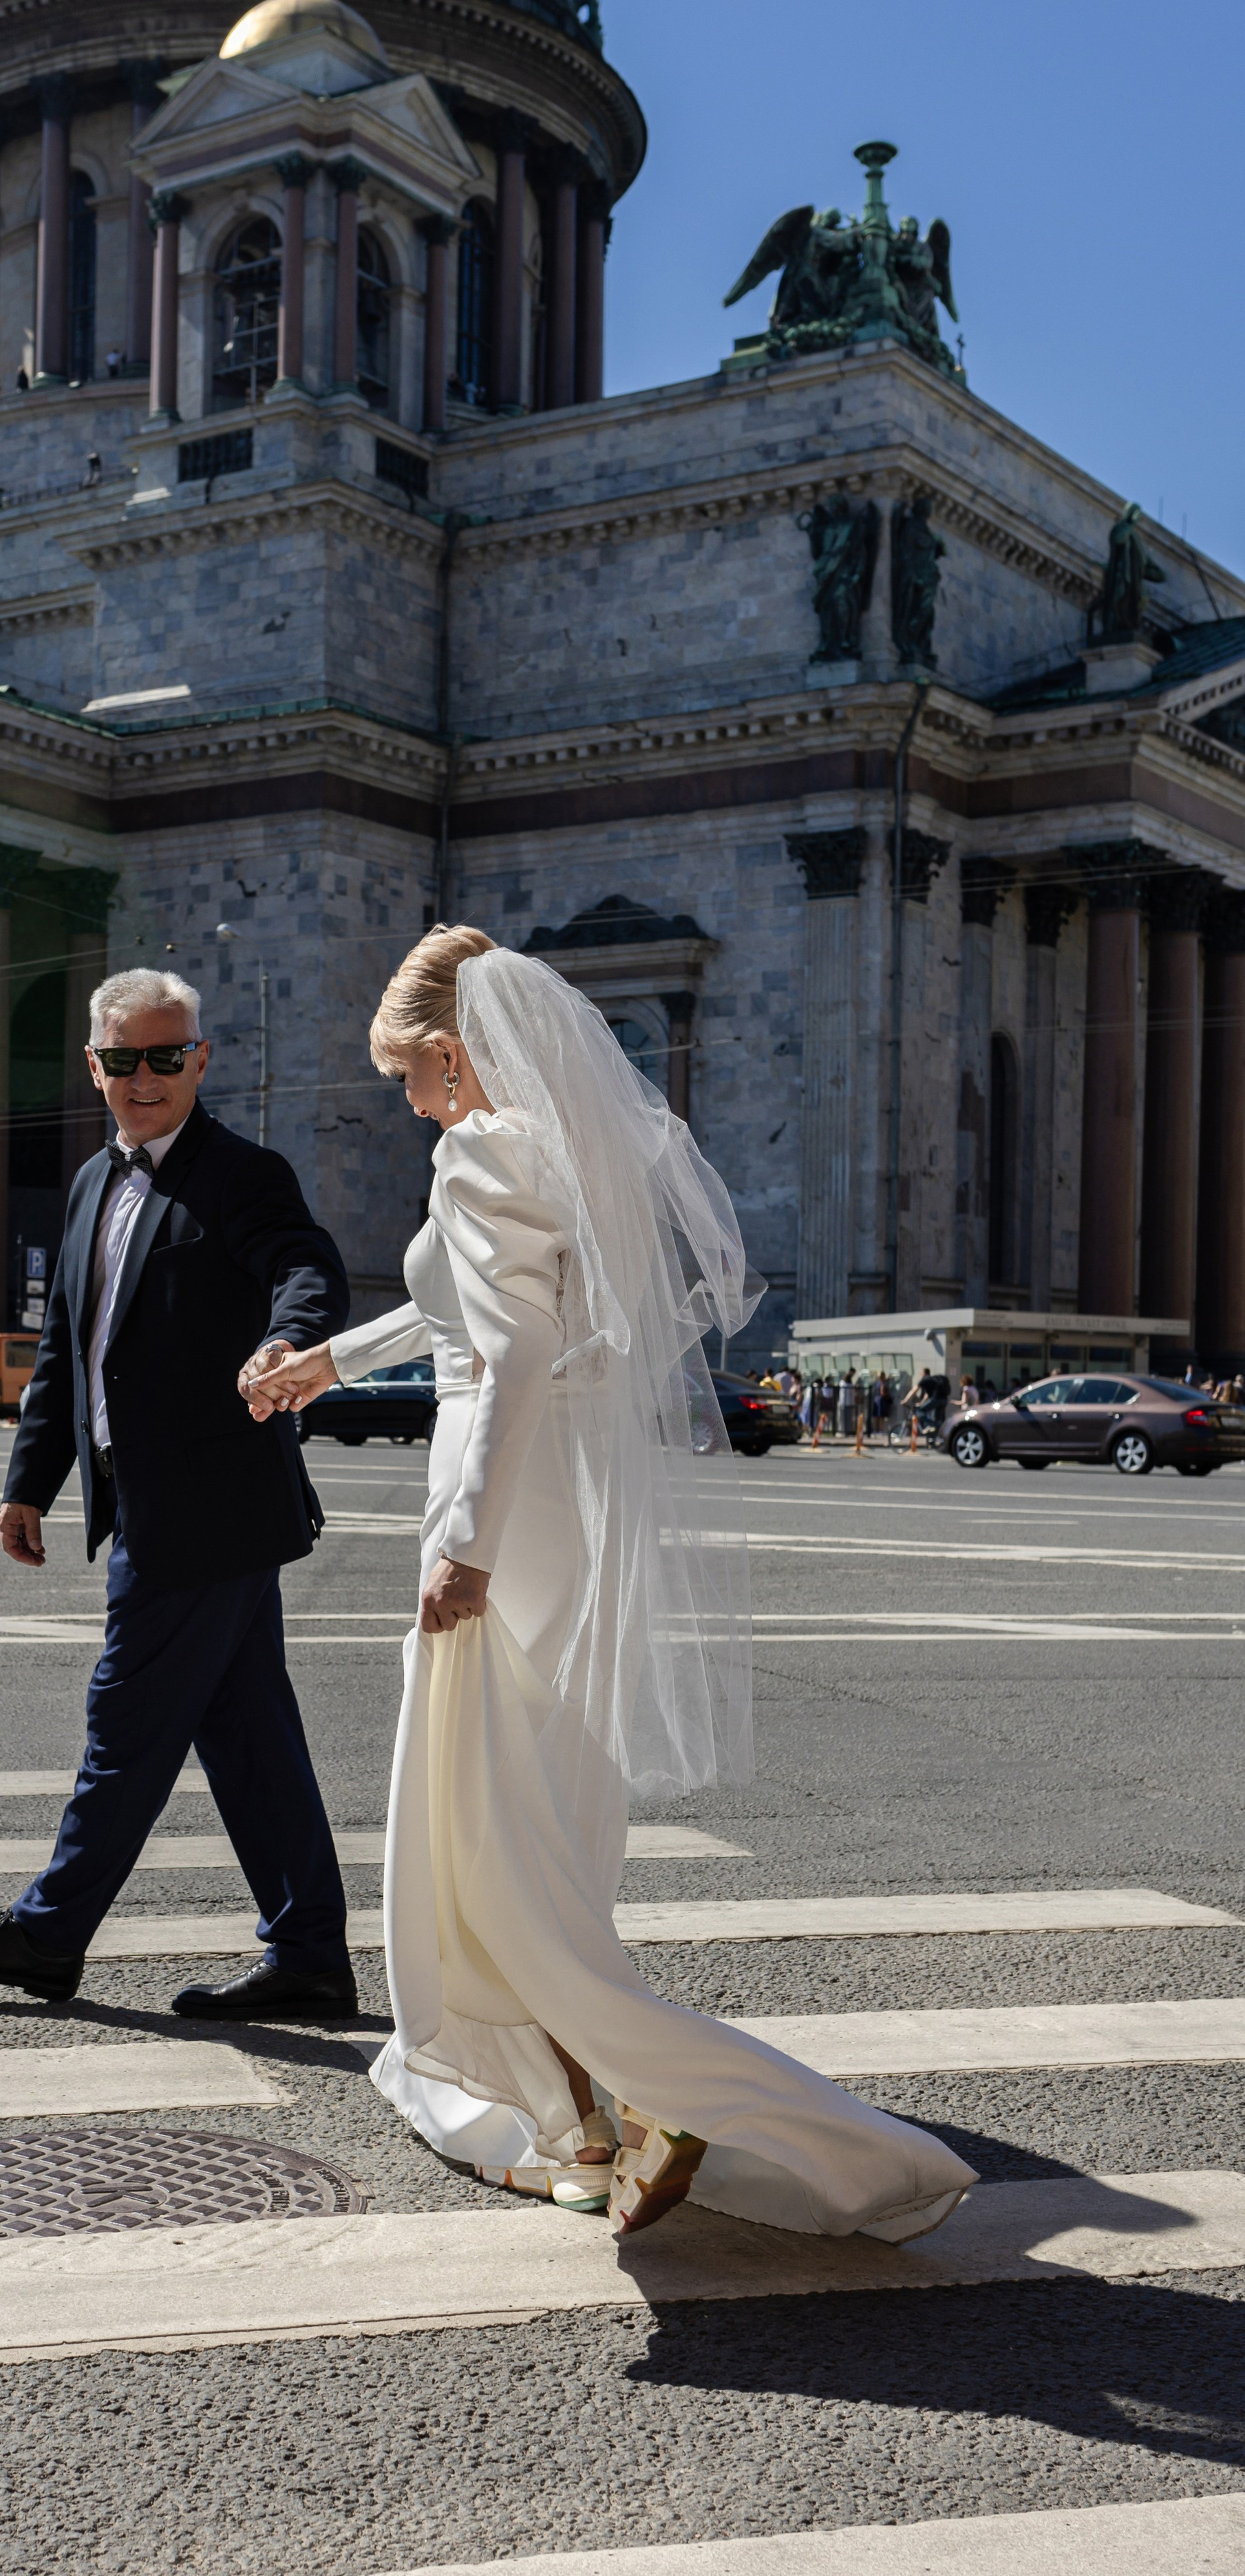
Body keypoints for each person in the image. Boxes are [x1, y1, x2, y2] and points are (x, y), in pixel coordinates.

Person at [243, 930, 974, 2242]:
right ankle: (584, 2100)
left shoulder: (474, 1148)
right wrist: (333, 1361)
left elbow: (510, 1346)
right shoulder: (566, 1143)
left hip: (499, 1499)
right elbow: (472, 1306)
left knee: (473, 1820)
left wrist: (462, 1544)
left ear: (455, 1053)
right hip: (565, 1505)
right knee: (532, 1804)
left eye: (410, 1074)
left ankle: (619, 2092)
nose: (407, 1101)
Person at [0, 968, 356, 2019]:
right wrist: (31, 1484)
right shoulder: (86, 1186)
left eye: (167, 1056)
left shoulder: (243, 1175)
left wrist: (290, 1338)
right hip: (158, 1504)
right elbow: (75, 1353)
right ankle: (310, 1955)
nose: (145, 1078)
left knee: (127, 1721)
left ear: (201, 1059)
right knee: (251, 1742)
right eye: (124, 1059)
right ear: (95, 1066)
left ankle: (48, 1934)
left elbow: (304, 1265)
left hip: (208, 1504)